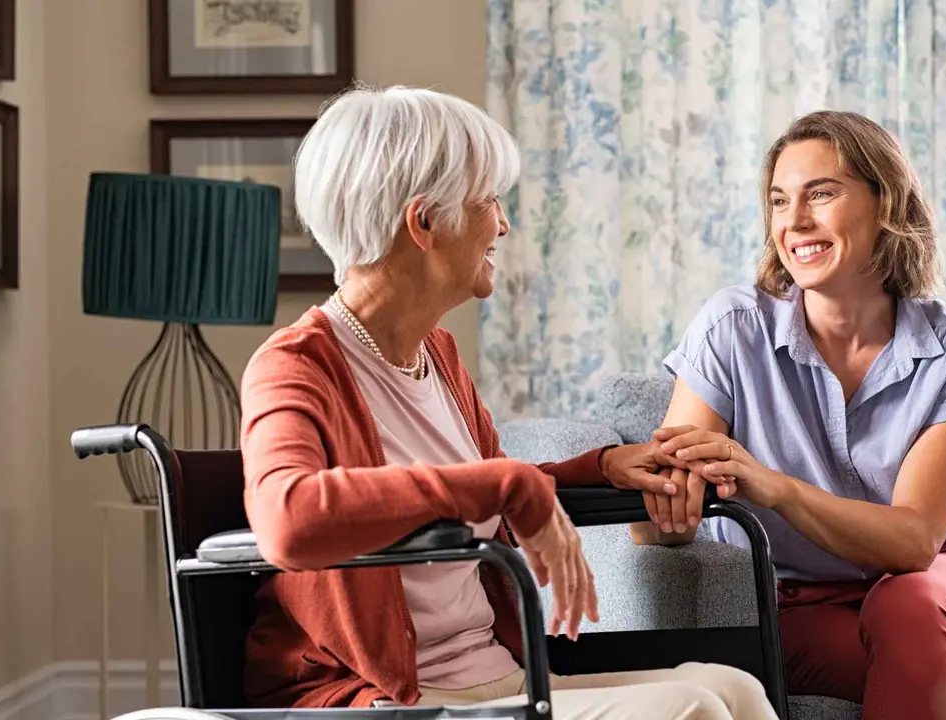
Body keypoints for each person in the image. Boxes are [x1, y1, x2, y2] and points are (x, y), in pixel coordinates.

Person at [237, 84, 778, 720]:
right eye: (488, 201)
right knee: (693, 711)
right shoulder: (297, 366)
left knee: (732, 685)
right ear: (425, 223)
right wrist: (504, 484)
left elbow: (484, 490)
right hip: (382, 696)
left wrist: (599, 468)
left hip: (490, 679)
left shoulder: (434, 356)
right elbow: (288, 521)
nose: (504, 222)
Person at [634, 111, 946, 720]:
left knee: (909, 604)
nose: (794, 222)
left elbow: (914, 542)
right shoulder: (731, 330)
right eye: (778, 201)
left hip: (939, 586)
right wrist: (669, 502)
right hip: (795, 604)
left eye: (821, 194)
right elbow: (658, 523)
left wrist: (777, 490)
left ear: (886, 204)